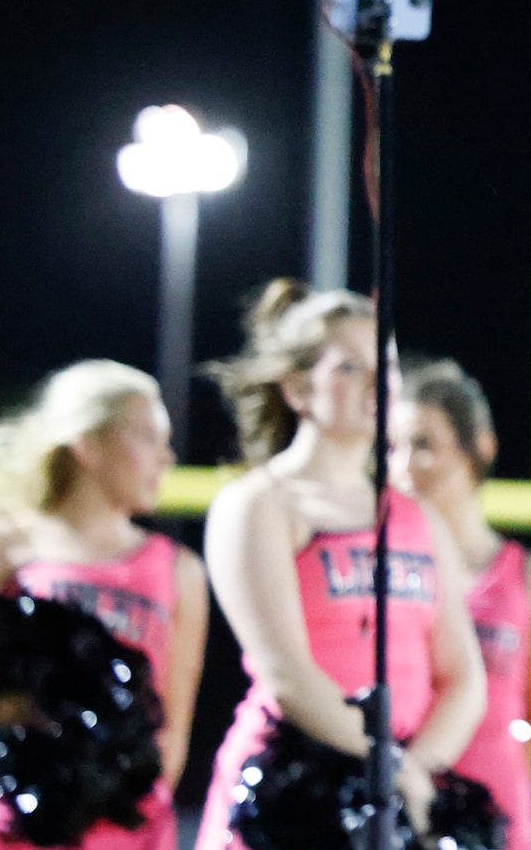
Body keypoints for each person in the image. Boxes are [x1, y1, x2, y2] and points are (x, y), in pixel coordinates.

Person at [192, 281, 487, 850]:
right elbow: (286, 673)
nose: (379, 382)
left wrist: (413, 770)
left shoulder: (416, 517)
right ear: (299, 388)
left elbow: (463, 677)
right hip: (289, 791)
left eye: (388, 365)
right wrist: (388, 766)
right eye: (350, 367)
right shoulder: (261, 503)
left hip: (397, 791)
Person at [0, 361, 208, 850]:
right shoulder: (2, 544)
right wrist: (33, 703)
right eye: (147, 439)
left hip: (119, 823)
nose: (166, 459)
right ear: (87, 445)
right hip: (8, 810)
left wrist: (111, 785)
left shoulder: (180, 571)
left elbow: (169, 735)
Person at [393, 358, 531, 850]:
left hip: (492, 817)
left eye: (423, 444)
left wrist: (476, 785)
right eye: (392, 447)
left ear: (479, 447)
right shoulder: (387, 572)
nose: (403, 464)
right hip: (400, 811)